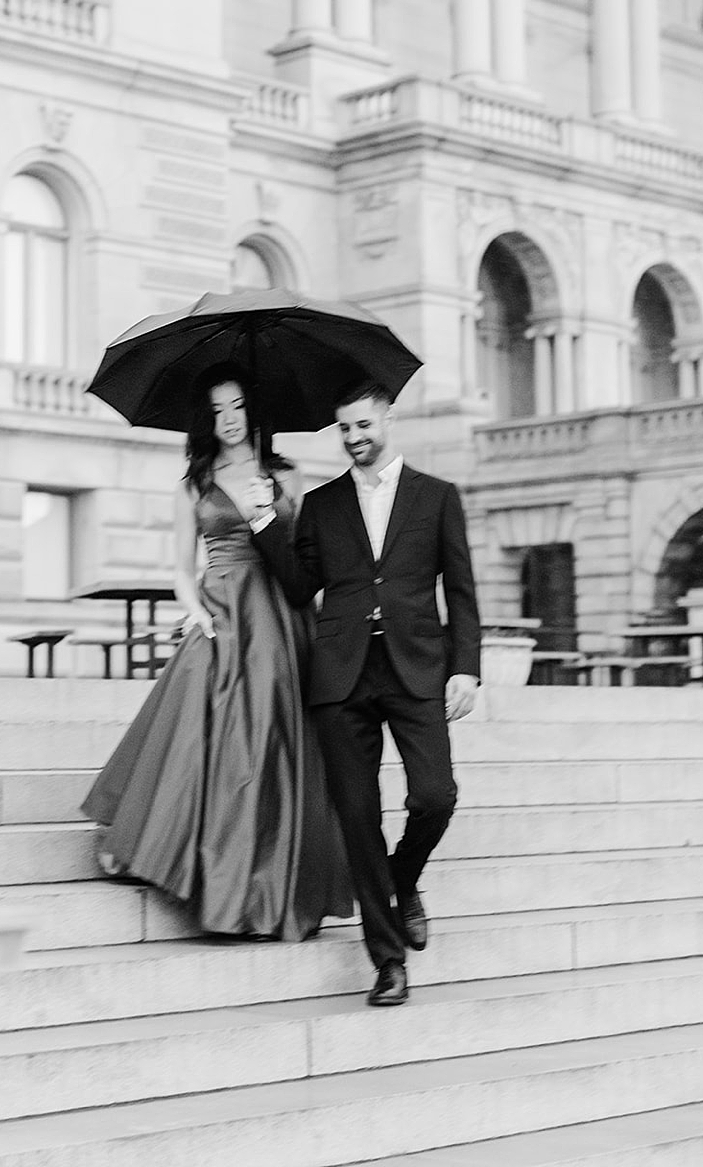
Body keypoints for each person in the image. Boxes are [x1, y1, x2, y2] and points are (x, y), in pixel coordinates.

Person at [82, 363, 352, 941]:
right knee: (214, 738)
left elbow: (305, 561)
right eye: (216, 411)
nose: (228, 420)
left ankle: (270, 885)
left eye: (236, 406)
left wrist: (270, 510)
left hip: (281, 614)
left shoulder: (287, 475)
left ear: (254, 410)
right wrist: (197, 610)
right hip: (222, 608)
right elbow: (182, 568)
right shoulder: (192, 483)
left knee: (278, 744)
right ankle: (204, 868)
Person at [247, 377, 481, 1005]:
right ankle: (388, 961)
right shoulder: (322, 506)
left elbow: (460, 590)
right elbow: (299, 588)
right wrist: (267, 520)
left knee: (436, 796)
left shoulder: (437, 497)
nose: (353, 438)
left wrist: (467, 667)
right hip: (342, 675)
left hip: (415, 670)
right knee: (358, 818)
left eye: (362, 425)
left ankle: (404, 881)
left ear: (387, 421)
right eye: (343, 428)